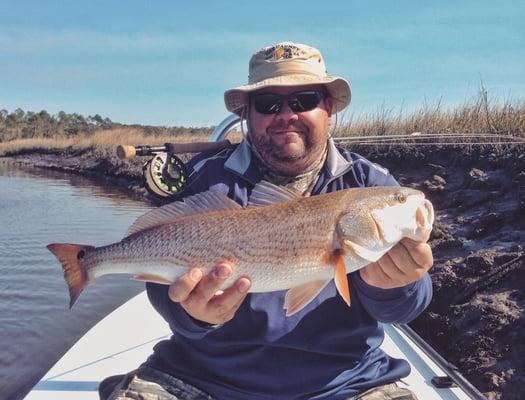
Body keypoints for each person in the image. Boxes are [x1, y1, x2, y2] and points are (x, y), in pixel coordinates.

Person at [99, 42, 433, 400]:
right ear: (247, 114)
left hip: (347, 383)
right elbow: (163, 284)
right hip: (202, 377)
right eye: (268, 103)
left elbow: (406, 308)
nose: (286, 114)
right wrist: (194, 316)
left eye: (304, 99)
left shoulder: (372, 185)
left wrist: (397, 286)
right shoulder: (203, 180)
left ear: (329, 109)